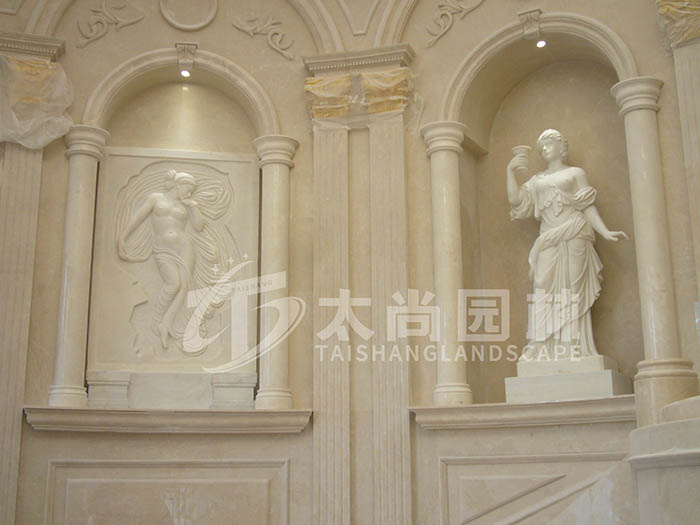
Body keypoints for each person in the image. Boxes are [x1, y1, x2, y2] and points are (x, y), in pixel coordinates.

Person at [507, 129, 627, 361]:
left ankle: (574, 345)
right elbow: (515, 200)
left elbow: (586, 205)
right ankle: (541, 345)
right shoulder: (537, 181)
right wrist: (510, 171)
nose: (544, 148)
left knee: (573, 289)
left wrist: (604, 231)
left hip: (575, 233)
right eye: (541, 146)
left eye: (549, 143)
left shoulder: (575, 173)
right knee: (542, 286)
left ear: (561, 146)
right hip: (548, 238)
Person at [118, 170, 205, 348]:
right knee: (173, 283)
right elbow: (138, 217)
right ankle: (157, 320)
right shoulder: (156, 198)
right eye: (188, 189)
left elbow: (198, 227)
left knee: (184, 287)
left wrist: (193, 206)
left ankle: (167, 324)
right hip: (163, 248)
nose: (189, 193)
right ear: (178, 185)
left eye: (192, 191)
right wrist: (123, 237)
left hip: (184, 248)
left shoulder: (186, 205)